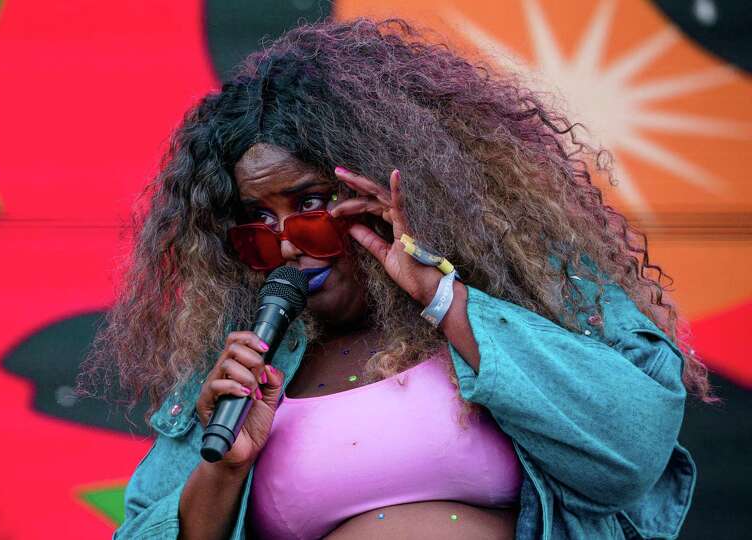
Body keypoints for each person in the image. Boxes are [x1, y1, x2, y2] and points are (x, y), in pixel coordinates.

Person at [79, 17, 712, 540]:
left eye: (310, 205)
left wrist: (442, 298)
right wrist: (225, 470)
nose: (286, 244)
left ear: (384, 187)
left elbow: (631, 453)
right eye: (256, 224)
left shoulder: (527, 301)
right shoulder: (246, 369)